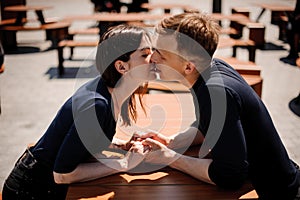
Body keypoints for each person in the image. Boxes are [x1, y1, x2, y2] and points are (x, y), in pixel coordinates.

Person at [138, 12, 300, 199]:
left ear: (188, 67)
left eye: (161, 55)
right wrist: (170, 142)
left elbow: (230, 176)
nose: (153, 58)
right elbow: (207, 126)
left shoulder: (215, 92)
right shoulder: (211, 69)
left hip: (279, 192)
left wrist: (170, 158)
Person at [2, 24, 154, 200]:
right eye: (145, 54)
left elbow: (87, 142)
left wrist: (121, 146)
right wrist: (125, 163)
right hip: (29, 192)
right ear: (121, 67)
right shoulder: (97, 105)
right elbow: (62, 174)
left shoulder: (111, 91)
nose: (154, 58)